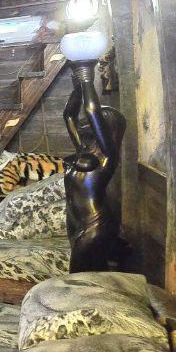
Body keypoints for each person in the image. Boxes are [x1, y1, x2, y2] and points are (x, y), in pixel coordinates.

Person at [62, 62, 126, 271]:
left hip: (95, 223)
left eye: (93, 123)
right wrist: (78, 87)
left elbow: (92, 111)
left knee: (79, 277)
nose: (85, 122)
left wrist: (86, 77)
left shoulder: (107, 156)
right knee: (91, 274)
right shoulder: (83, 149)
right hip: (76, 222)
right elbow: (68, 115)